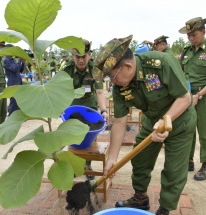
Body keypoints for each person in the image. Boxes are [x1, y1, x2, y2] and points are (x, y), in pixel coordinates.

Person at [92, 35, 197, 215]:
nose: (112, 82)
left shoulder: (162, 63)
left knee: (173, 170)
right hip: (152, 121)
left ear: (128, 66)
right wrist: (112, 158)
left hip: (180, 122)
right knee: (140, 159)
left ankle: (165, 208)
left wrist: (165, 121)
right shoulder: (120, 87)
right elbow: (119, 121)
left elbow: (185, 97)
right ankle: (140, 198)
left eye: (112, 76)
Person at [61, 39, 108, 180]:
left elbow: (100, 92)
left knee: (90, 140)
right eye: (77, 57)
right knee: (73, 139)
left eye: (84, 56)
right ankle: (75, 166)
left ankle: (87, 166)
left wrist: (104, 111)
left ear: (89, 55)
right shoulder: (66, 71)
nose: (81, 60)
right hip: (72, 109)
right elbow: (61, 92)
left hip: (89, 109)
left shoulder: (95, 70)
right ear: (72, 56)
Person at [178, 17, 206, 179]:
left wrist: (198, 95)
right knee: (187, 128)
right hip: (187, 95)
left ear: (203, 32)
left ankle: (205, 164)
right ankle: (188, 160)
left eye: (194, 35)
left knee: (204, 131)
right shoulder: (186, 51)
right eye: (188, 35)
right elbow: (179, 72)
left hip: (203, 96)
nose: (190, 38)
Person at [3, 44, 25, 116]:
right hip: (12, 83)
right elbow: (14, 68)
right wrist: (19, 60)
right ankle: (11, 115)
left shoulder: (13, 60)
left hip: (18, 81)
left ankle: (17, 115)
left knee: (18, 99)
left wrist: (23, 62)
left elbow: (20, 70)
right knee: (13, 100)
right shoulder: (6, 60)